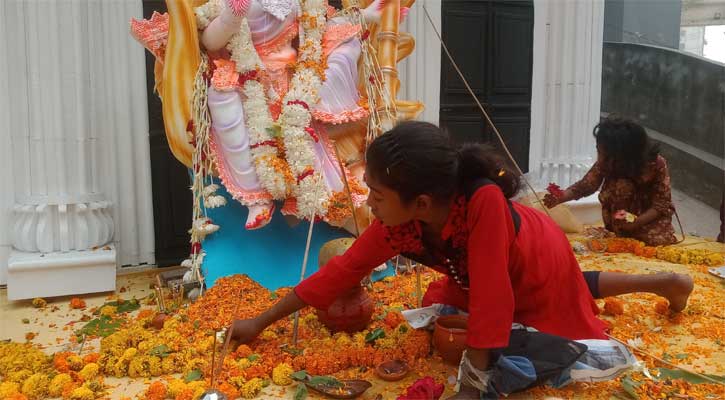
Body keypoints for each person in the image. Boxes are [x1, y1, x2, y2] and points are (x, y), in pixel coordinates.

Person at [228, 121, 693, 397]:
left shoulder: (483, 202)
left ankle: (663, 281)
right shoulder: (401, 220)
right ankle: (662, 282)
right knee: (484, 318)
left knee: (538, 341)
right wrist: (261, 320)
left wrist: (471, 386)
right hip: (485, 271)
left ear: (423, 202)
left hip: (534, 257)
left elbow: (493, 298)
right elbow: (343, 269)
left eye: (376, 192)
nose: (368, 202)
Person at [544, 117, 677, 246]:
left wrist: (636, 222)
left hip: (647, 220)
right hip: (618, 221)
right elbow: (586, 186)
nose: (600, 159)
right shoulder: (608, 161)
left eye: (604, 154)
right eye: (599, 152)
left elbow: (661, 204)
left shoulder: (656, 164)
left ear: (624, 154)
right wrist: (559, 197)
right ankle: (620, 230)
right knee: (621, 185)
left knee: (655, 241)